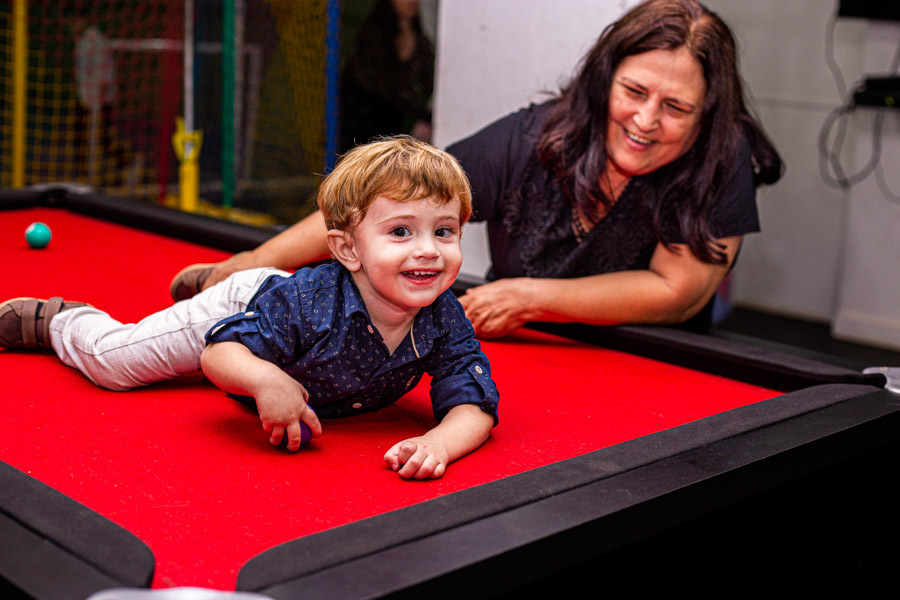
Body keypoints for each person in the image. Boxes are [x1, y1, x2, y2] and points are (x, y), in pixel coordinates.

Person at [169, 0, 783, 339]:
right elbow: (387, 199)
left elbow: (678, 293)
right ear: (606, 79)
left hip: (664, 366)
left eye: (675, 107)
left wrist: (528, 298)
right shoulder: (535, 135)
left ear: (706, 112)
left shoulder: (722, 155)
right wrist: (255, 263)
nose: (646, 120)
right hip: (524, 354)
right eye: (635, 91)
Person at [0, 137, 498, 480]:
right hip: (253, 302)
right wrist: (265, 380)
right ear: (348, 250)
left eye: (444, 231)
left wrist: (440, 445)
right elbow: (220, 352)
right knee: (117, 365)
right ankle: (59, 319)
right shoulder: (308, 303)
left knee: (258, 341)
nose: (429, 250)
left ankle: (213, 289)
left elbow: (473, 405)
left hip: (276, 320)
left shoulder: (443, 316)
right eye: (400, 232)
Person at [339, 0, 435, 152]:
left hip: (394, 133)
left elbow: (428, 81)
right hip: (362, 130)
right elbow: (377, 87)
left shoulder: (420, 40)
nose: (411, 1)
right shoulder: (373, 36)